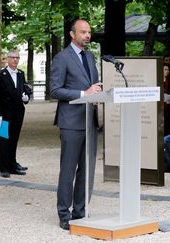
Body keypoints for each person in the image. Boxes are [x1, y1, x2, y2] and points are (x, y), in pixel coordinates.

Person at [50, 19, 101, 230]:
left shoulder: (90, 56)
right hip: (71, 122)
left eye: (89, 32)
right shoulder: (62, 58)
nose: (87, 35)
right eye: (83, 32)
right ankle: (64, 214)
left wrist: (98, 94)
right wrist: (84, 94)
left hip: (90, 121)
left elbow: (93, 86)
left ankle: (80, 212)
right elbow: (54, 90)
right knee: (68, 170)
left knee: (87, 172)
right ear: (72, 34)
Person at [0, 50, 30, 178]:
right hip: (3, 114)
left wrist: (26, 98)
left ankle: (13, 165)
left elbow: (24, 90)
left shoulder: (20, 74)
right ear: (7, 59)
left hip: (18, 112)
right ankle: (4, 168)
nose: (15, 60)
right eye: (12, 57)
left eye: (17, 58)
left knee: (14, 140)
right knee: (4, 141)